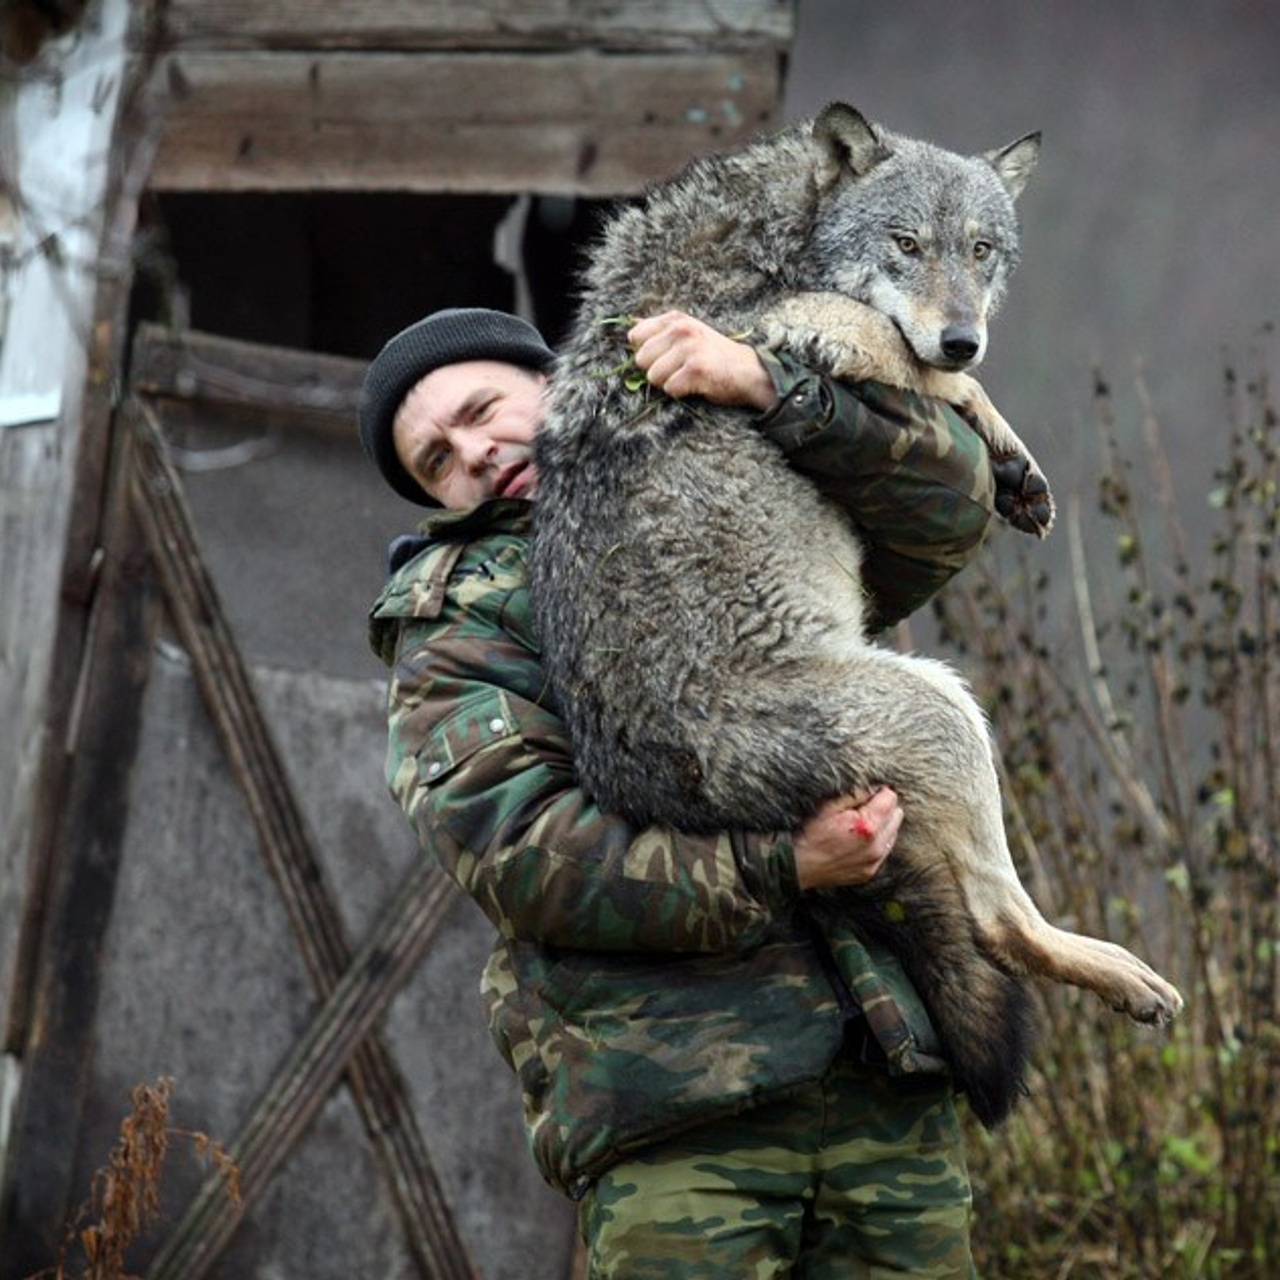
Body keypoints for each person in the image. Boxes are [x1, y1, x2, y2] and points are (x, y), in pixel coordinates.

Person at [362, 306, 999, 1277]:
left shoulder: (723, 466)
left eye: (481, 409)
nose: (477, 452)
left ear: (550, 379)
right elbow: (524, 851)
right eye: (438, 460)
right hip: (676, 1114)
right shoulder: (456, 624)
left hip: (884, 1071)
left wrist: (767, 388)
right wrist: (783, 863)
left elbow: (947, 503)